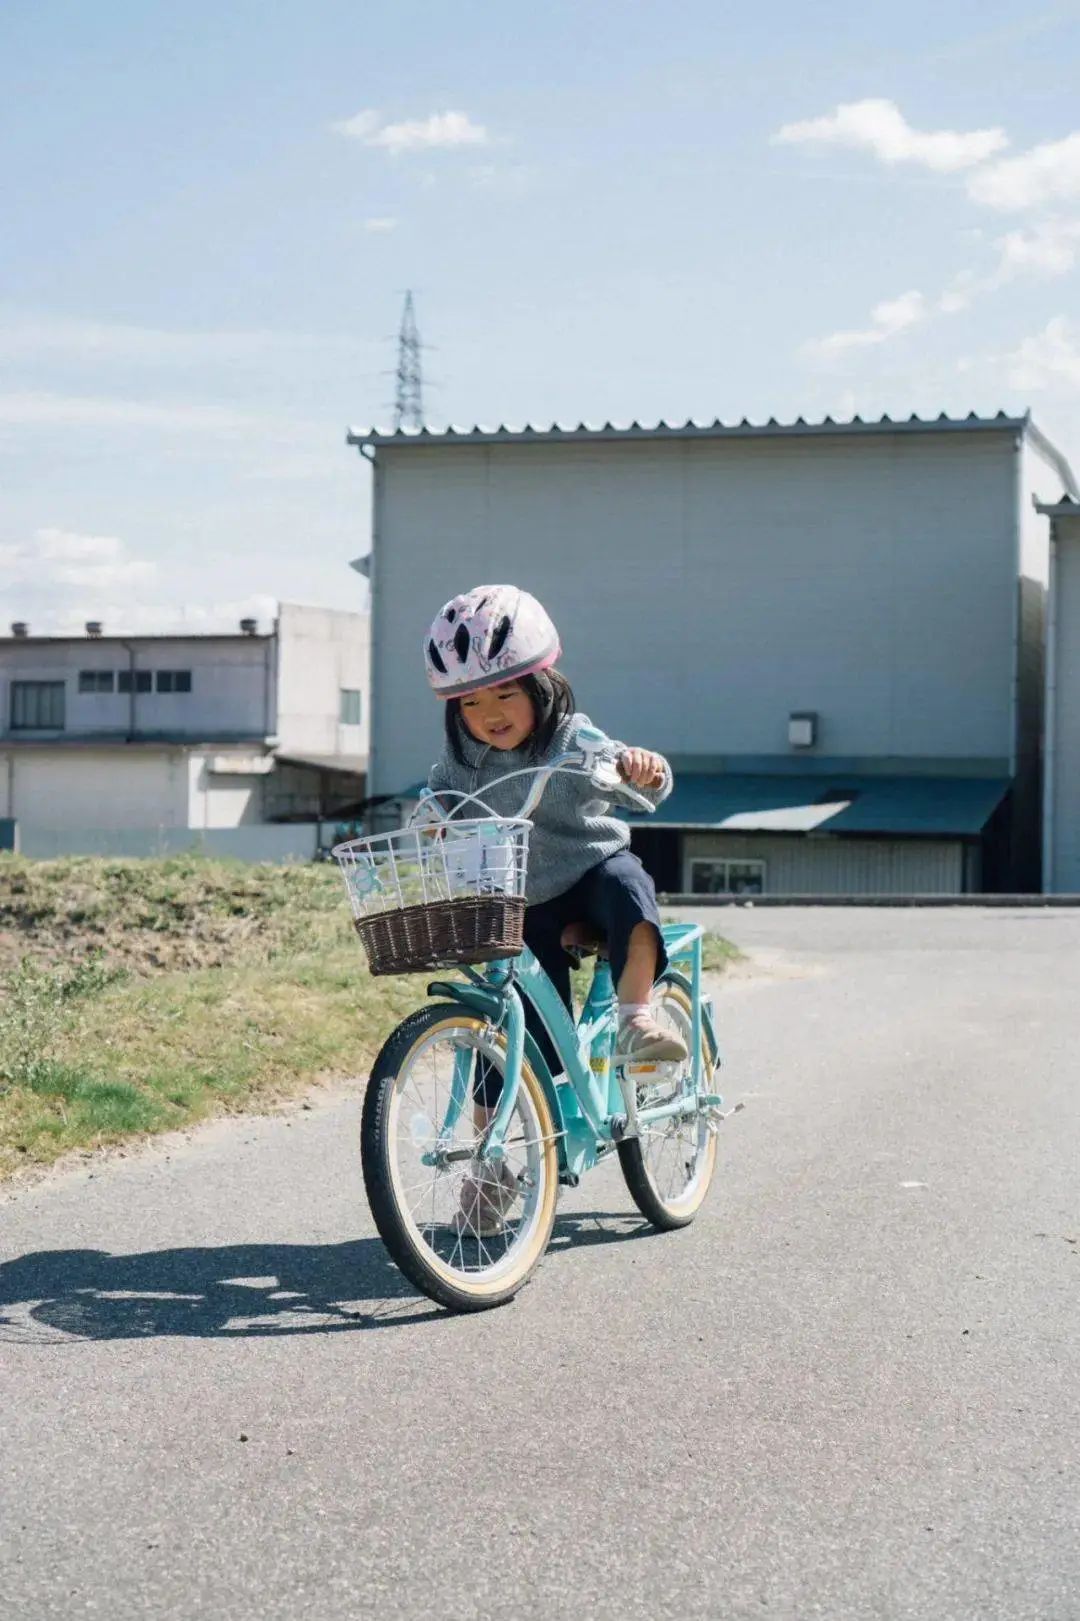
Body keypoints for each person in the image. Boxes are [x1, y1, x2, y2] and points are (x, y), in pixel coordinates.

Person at [424, 583, 688, 1234]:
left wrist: (642, 769)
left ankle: (637, 1017)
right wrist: (429, 820)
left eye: (506, 692)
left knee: (630, 887)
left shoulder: (571, 737)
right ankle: (492, 1170)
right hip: (521, 896)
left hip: (586, 870)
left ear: (542, 685)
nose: (490, 712)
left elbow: (632, 775)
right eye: (472, 701)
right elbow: (434, 800)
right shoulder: (462, 762)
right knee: (511, 1031)